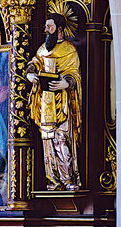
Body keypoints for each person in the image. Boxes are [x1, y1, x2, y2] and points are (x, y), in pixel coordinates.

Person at [27, 13, 82, 190]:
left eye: (49, 26)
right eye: (45, 26)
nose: (45, 29)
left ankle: (69, 178)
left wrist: (67, 82)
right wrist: (30, 73)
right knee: (47, 142)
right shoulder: (43, 49)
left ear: (59, 29)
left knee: (62, 140)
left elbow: (74, 72)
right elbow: (35, 62)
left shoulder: (69, 49)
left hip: (61, 101)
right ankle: (54, 179)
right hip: (45, 102)